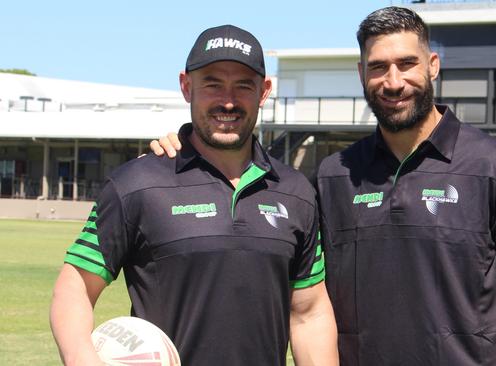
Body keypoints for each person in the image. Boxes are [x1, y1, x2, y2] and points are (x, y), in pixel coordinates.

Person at [151, 8, 496, 366]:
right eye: (378, 67)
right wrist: (179, 155)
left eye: (407, 63)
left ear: (432, 65)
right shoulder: (334, 175)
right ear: (361, 73)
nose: (393, 81)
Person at [50, 24, 338, 366]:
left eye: (243, 86)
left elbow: (309, 313)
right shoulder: (136, 183)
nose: (227, 101)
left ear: (264, 91)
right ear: (187, 87)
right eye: (213, 84)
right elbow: (75, 288)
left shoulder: (295, 192)